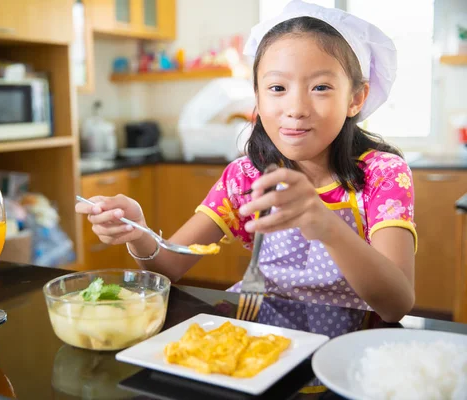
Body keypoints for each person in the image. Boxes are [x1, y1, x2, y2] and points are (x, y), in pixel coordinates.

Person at [75, 0, 417, 323]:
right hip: (259, 343)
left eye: (321, 87)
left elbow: (396, 305)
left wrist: (327, 226)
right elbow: (168, 268)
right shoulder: (244, 176)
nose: (295, 108)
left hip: (346, 350)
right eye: (277, 88)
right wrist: (137, 229)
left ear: (356, 98)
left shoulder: (383, 174)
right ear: (257, 96)